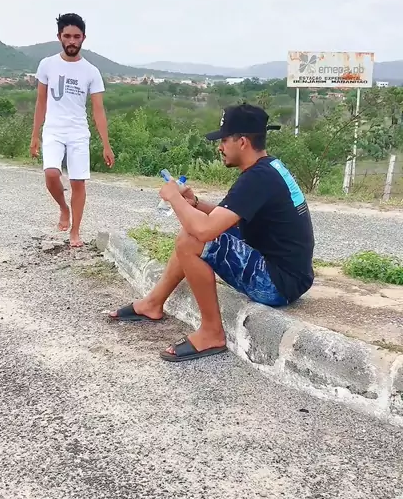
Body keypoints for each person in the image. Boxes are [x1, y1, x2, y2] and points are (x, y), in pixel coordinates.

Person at [110, 103, 314, 362]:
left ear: (242, 142)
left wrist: (174, 197)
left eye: (224, 140)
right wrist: (193, 203)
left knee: (191, 239)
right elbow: (226, 218)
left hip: (276, 284)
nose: (219, 147)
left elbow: (205, 230)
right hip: (290, 275)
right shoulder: (268, 169)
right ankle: (152, 304)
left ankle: (211, 333)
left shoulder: (256, 178)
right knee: (194, 231)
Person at [30, 13, 115, 247]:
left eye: (76, 36)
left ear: (83, 38)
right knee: (51, 173)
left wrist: (106, 144)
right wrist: (35, 134)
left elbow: (98, 110)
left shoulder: (91, 71)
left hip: (78, 132)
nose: (72, 41)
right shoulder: (47, 64)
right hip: (53, 129)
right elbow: (41, 102)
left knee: (78, 182)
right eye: (67, 36)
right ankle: (63, 208)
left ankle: (75, 231)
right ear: (59, 37)